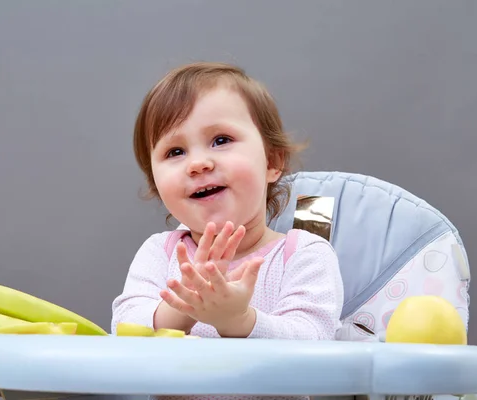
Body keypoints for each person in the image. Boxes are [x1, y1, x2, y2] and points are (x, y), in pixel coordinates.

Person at [111, 61, 344, 399]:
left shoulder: (304, 254)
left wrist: (238, 321)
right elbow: (123, 330)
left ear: (272, 162)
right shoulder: (159, 254)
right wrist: (186, 305)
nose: (198, 163)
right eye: (175, 151)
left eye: (221, 140)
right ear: (156, 183)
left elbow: (316, 342)